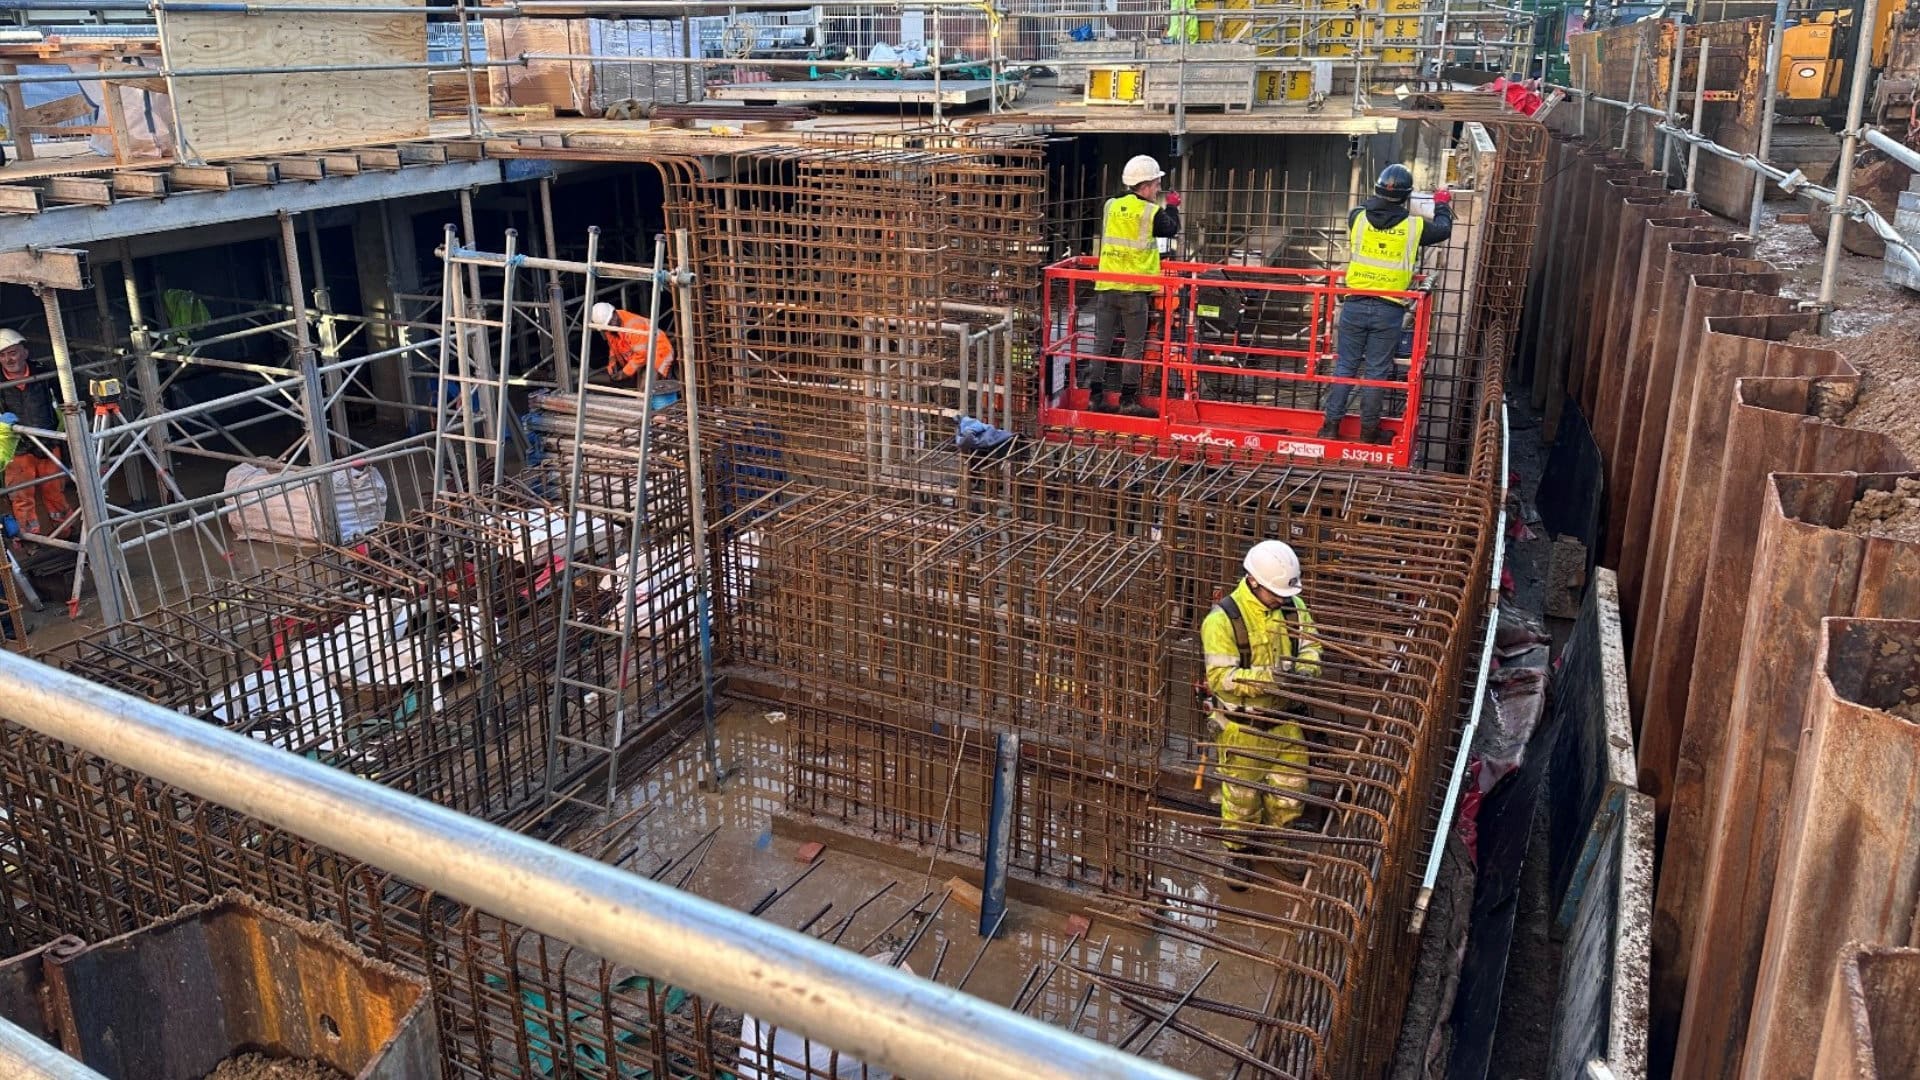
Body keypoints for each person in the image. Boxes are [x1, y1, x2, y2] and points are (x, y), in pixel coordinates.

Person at [1201, 540, 1322, 890]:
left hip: (1285, 724)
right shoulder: (1223, 619)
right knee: (1241, 801)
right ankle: (1238, 854)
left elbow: (1312, 644)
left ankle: (1276, 846)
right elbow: (1220, 679)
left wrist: (1307, 670)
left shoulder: (1292, 606)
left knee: (1290, 792)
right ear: (1253, 582)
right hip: (1243, 729)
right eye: (1275, 592)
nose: (1282, 599)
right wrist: (1268, 679)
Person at [1318, 163, 1453, 445]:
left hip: (1353, 304)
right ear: (1406, 196)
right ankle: (1369, 432)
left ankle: (1330, 427)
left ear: (1377, 190)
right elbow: (1442, 230)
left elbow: (1373, 212)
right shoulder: (1415, 226)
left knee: (1345, 367)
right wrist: (1440, 204)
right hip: (1388, 308)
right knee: (1376, 372)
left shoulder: (1357, 217)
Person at [1088, 154, 1182, 418]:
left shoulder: (1110, 205)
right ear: (1146, 186)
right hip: (1134, 289)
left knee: (1101, 343)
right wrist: (1173, 206)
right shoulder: (1151, 211)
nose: (1159, 189)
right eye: (1156, 184)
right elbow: (1171, 228)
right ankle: (1128, 401)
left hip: (1106, 285)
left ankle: (1095, 398)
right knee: (1133, 345)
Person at [0, 330, 68, 536]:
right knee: (21, 498)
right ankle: (31, 540)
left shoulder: (44, 373)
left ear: (25, 352)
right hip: (17, 449)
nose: (7, 359)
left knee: (55, 492)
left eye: (12, 353)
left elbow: (65, 400)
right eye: (2, 355)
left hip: (47, 442)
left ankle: (66, 531)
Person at [591, 301, 675, 383]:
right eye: (609, 324)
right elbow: (613, 347)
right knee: (643, 383)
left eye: (612, 319)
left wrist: (624, 373)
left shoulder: (633, 326)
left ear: (614, 311)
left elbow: (642, 355)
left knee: (648, 386)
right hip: (642, 356)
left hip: (660, 353)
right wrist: (612, 363)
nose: (613, 323)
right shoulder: (610, 329)